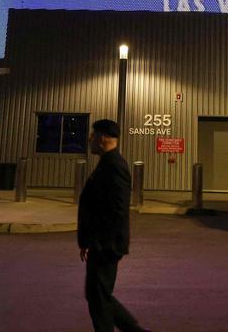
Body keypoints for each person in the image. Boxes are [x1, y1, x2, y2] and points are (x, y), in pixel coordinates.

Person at [78, 119, 148, 332]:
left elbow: (118, 210)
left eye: (92, 135)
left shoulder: (115, 165)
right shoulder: (107, 163)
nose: (89, 139)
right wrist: (86, 240)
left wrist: (100, 242)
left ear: (102, 138)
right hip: (100, 242)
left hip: (106, 244)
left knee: (98, 296)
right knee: (96, 294)